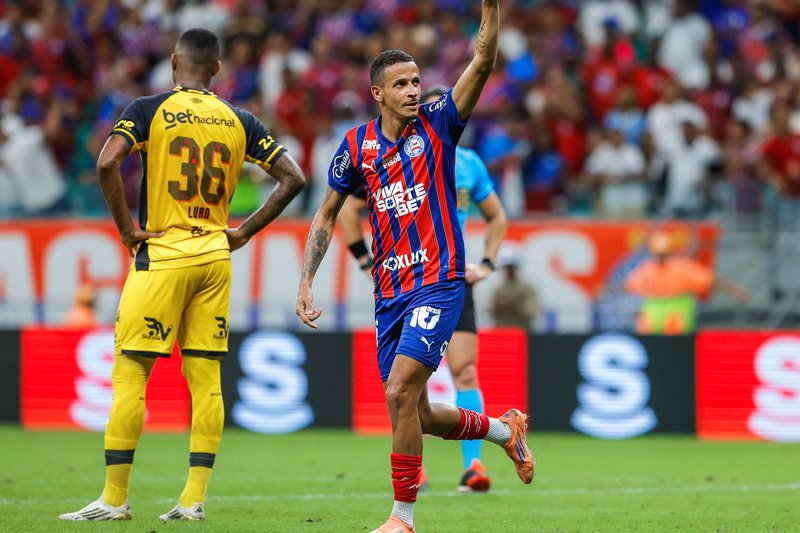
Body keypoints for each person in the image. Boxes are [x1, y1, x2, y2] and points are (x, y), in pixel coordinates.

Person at [295, 3, 534, 532]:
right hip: (390, 292)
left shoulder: (440, 123)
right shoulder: (355, 147)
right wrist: (308, 278)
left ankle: (402, 519)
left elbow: (484, 59)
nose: (411, 90)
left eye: (416, 81)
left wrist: (490, 9)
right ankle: (504, 431)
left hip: (440, 283)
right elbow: (328, 213)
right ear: (377, 93)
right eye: (400, 83)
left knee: (399, 390)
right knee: (417, 413)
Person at [59, 28, 304, 522]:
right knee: (206, 378)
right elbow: (293, 177)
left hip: (163, 254)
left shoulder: (149, 109)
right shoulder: (242, 119)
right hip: (216, 256)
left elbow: (108, 163)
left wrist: (128, 229)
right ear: (217, 68)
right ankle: (192, 501)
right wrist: (245, 231)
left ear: (173, 62)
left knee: (132, 372)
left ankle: (113, 499)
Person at [338, 83, 509, 493]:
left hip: (450, 277)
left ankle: (474, 468)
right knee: (408, 387)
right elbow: (347, 212)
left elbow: (497, 217)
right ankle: (420, 466)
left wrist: (485, 264)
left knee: (463, 370)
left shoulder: (468, 163)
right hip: (404, 278)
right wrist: (367, 264)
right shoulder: (396, 156)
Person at [625, 230, 748, 334]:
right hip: (652, 326)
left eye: (663, 253)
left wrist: (733, 290)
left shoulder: (682, 268)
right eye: (658, 253)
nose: (660, 257)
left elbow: (709, 280)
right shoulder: (647, 269)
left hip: (677, 322)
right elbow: (629, 286)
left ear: (669, 251)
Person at [488, 244, 539, 332]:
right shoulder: (499, 289)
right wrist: (500, 306)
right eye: (507, 267)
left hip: (522, 332)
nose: (509, 270)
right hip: (502, 332)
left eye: (511, 267)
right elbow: (490, 311)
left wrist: (514, 305)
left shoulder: (526, 288)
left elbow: (532, 311)